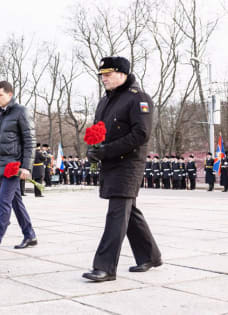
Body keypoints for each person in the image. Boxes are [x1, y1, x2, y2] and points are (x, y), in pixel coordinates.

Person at [83, 56, 161, 282]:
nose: (103, 79)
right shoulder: (105, 101)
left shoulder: (138, 99)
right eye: (102, 75)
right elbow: (99, 131)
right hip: (110, 163)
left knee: (117, 214)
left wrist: (106, 150)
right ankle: (150, 255)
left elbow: (141, 134)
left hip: (128, 164)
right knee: (129, 212)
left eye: (108, 74)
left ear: (122, 74)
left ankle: (104, 267)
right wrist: (94, 150)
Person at [0, 81, 37, 256]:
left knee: (4, 203)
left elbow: (29, 141)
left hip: (14, 166)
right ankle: (30, 235)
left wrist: (26, 166)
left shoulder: (21, 112)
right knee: (16, 201)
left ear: (10, 95)